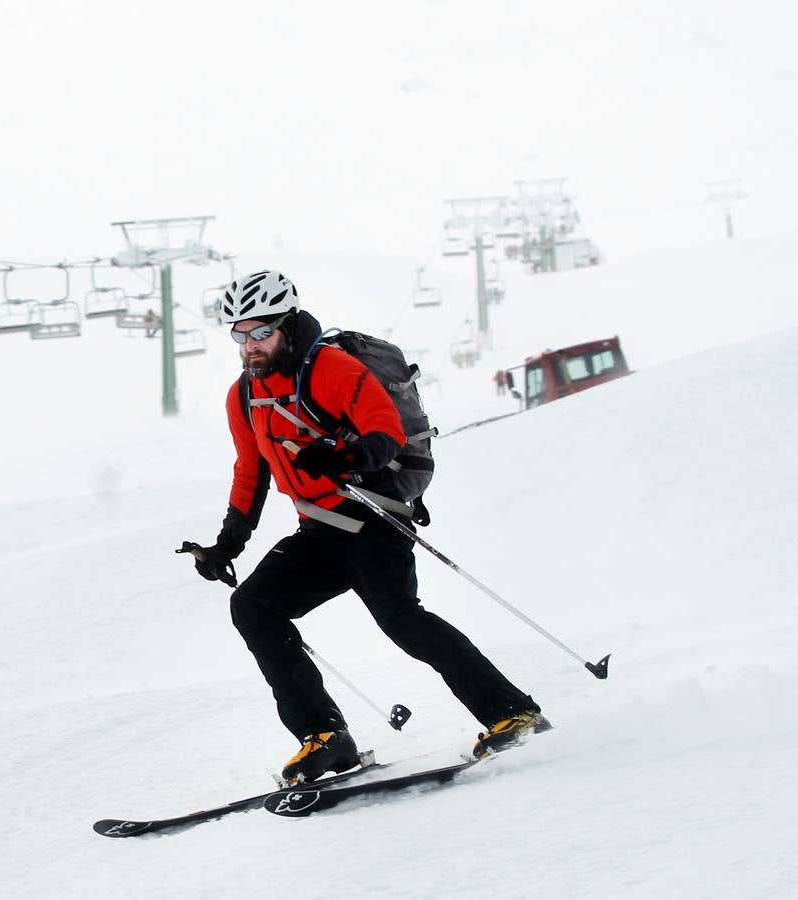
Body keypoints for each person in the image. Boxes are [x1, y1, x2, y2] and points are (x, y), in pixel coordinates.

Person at [181, 270, 546, 787]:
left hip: (372, 517)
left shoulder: (331, 367)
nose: (250, 345)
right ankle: (326, 739)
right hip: (319, 530)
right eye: (239, 334)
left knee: (402, 621)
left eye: (260, 331)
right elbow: (251, 468)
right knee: (254, 606)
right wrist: (227, 542)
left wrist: (342, 454)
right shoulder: (243, 395)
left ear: (286, 325)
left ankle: (514, 712)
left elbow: (384, 430)